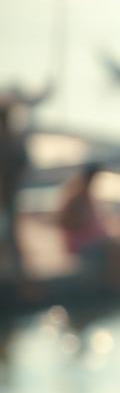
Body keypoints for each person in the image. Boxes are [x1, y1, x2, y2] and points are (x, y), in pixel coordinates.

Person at [56, 164, 120, 288]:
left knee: (119, 243)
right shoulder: (77, 196)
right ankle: (113, 285)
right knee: (116, 248)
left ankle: (114, 283)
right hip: (80, 242)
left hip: (89, 239)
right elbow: (66, 221)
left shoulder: (85, 194)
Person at [0, 99, 29, 277]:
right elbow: (23, 161)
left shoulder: (9, 140)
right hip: (9, 190)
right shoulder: (13, 139)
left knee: (10, 228)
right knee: (10, 228)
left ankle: (14, 267)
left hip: (8, 190)